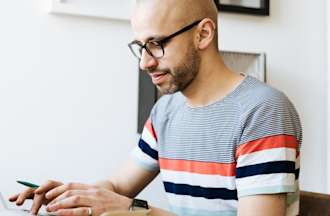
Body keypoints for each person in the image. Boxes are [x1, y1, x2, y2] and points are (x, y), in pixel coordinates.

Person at [9, 0, 302, 215]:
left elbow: (126, 202)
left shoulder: (263, 111)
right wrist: (71, 196)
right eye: (140, 46)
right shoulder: (166, 112)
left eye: (157, 43)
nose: (144, 62)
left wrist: (138, 211)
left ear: (203, 34)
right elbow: (118, 186)